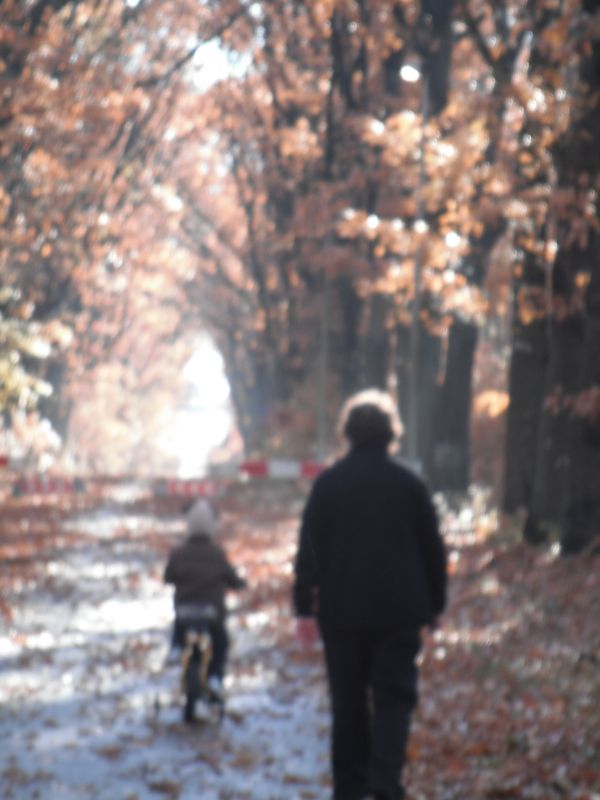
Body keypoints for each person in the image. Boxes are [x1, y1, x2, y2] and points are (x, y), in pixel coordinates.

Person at [292, 389, 448, 800]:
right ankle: (384, 784)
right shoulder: (410, 485)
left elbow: (309, 547)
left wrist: (304, 606)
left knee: (347, 702)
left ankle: (349, 787)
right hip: (400, 611)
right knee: (394, 699)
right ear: (391, 434)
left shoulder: (328, 485)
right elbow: (432, 548)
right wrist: (436, 604)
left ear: (347, 434)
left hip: (342, 612)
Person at [164, 498, 246, 698]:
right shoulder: (218, 555)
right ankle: (215, 678)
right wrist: (239, 583)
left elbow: (168, 577)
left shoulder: (179, 553)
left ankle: (176, 647)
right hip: (211, 613)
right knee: (221, 643)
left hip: (184, 611)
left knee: (179, 624)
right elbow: (233, 579)